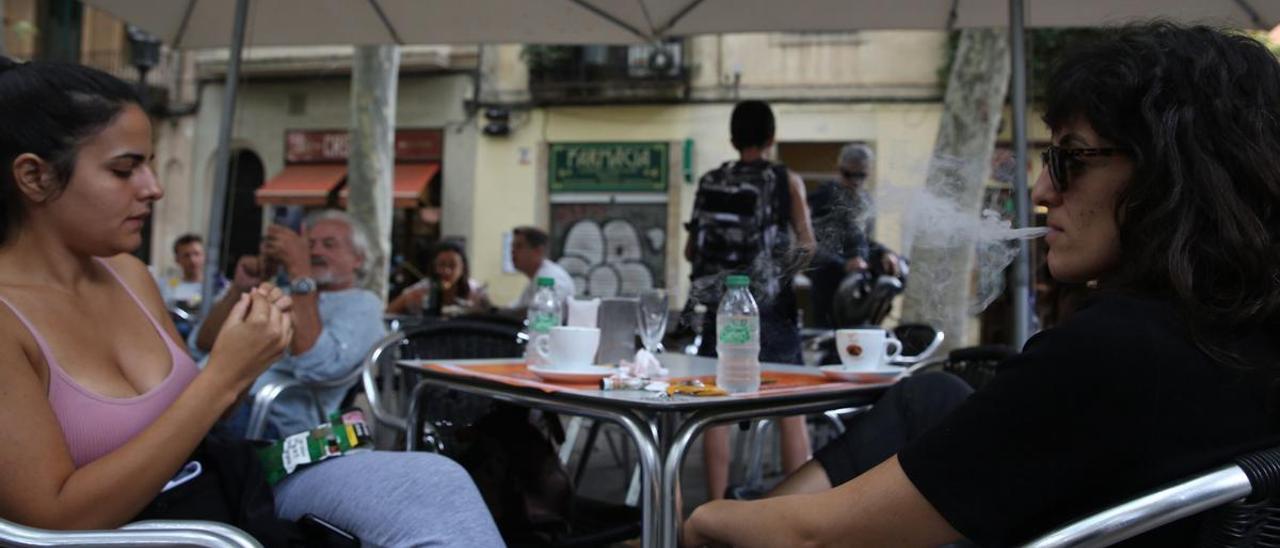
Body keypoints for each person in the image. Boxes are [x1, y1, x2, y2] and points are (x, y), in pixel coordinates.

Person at [682, 23, 1280, 547]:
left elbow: (814, 539)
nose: (1043, 193)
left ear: (1172, 174)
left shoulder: (1115, 351)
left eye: (1070, 159)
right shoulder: (1241, 333)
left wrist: (700, 519)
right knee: (934, 395)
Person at [0, 60, 501, 546]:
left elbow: (191, 420)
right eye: (124, 169)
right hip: (144, 532)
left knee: (435, 482)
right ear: (35, 177)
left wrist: (244, 357)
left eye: (149, 165)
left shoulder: (128, 274)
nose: (153, 188)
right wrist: (223, 377)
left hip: (221, 485)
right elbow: (54, 521)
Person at [684, 100, 817, 500]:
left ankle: (716, 506)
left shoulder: (709, 181)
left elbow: (693, 252)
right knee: (791, 410)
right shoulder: (784, 180)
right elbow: (807, 244)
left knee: (716, 411)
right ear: (771, 137)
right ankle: (798, 511)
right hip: (771, 308)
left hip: (719, 306)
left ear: (732, 137)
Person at [195, 209, 386, 439]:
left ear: (358, 258)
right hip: (210, 394)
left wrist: (300, 273)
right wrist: (241, 288)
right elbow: (204, 342)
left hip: (269, 419)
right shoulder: (286, 292)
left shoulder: (363, 304)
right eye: (309, 244)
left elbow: (318, 366)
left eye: (329, 244)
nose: (315, 251)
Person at [806, 144, 903, 327]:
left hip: (859, 287)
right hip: (828, 285)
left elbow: (863, 241)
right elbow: (808, 243)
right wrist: (843, 264)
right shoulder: (824, 196)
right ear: (839, 169)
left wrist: (885, 253)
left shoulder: (864, 200)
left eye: (861, 175)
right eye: (848, 174)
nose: (854, 181)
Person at [387, 239, 491, 316]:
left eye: (452, 265)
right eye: (441, 265)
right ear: (434, 266)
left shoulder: (476, 292)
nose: (446, 271)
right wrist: (409, 300)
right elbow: (388, 312)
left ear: (462, 268)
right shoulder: (422, 289)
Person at [155, 233, 225, 312]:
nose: (192, 260)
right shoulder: (166, 286)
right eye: (186, 255)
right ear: (177, 259)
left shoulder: (219, 287)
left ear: (205, 256)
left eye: (196, 254)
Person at [509, 225, 574, 309]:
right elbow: (516, 308)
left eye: (519, 247)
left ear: (538, 251)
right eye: (512, 247)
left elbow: (542, 314)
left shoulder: (551, 278)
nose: (512, 251)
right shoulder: (536, 278)